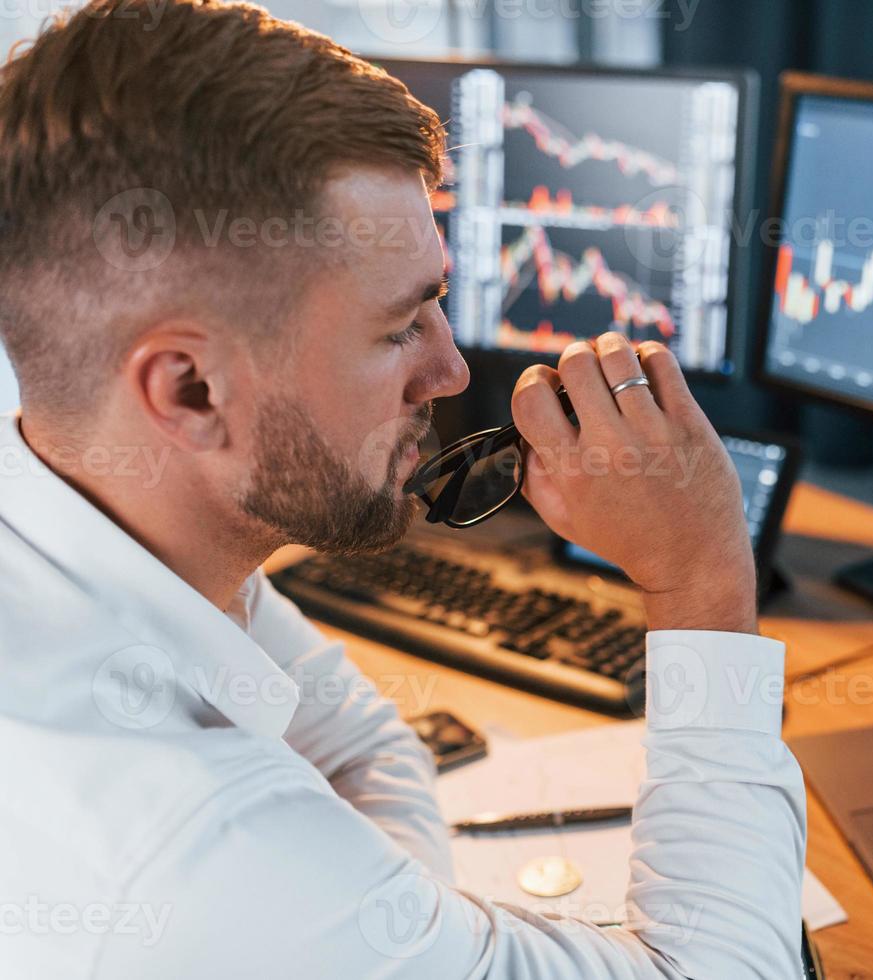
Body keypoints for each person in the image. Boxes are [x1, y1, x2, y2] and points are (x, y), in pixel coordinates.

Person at [0, 2, 805, 977]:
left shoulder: (86, 509)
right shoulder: (198, 855)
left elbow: (367, 742)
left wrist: (383, 923)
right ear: (192, 389)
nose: (452, 370)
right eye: (398, 327)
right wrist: (702, 583)